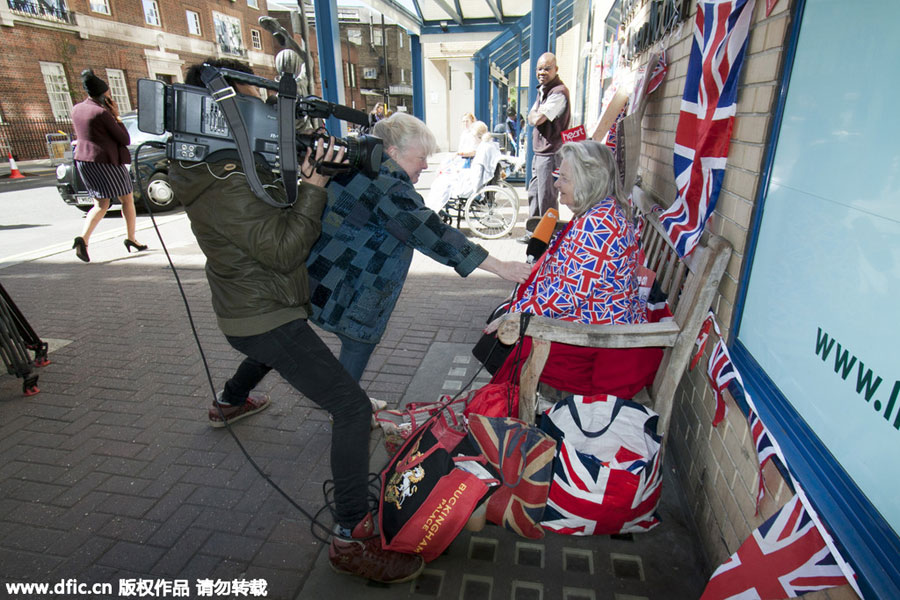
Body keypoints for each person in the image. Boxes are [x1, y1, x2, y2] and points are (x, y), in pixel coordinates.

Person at [170, 59, 425, 584]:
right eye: (252, 105)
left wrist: (309, 169)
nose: (264, 117)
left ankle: (230, 401)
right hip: (264, 311)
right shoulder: (221, 181)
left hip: (260, 304)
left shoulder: (230, 162)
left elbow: (274, 220)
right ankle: (349, 538)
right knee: (351, 410)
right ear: (217, 114)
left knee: (271, 357)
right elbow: (285, 249)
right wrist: (312, 186)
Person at [307, 113, 531, 382]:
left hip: (316, 273)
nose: (426, 165)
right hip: (353, 287)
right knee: (357, 344)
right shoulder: (389, 185)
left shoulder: (356, 166)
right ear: (392, 152)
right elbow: (434, 234)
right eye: (421, 157)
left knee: (280, 337)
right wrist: (500, 266)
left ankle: (240, 395)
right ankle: (346, 409)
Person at [487, 141, 661, 400]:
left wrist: (516, 313)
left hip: (600, 346)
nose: (556, 184)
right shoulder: (597, 214)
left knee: (508, 338)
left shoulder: (598, 227)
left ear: (588, 182)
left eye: (564, 178)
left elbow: (567, 296)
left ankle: (504, 413)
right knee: (503, 324)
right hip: (594, 327)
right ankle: (499, 409)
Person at [70, 69, 147, 262]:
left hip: (84, 161)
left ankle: (83, 239)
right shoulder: (101, 113)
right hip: (107, 162)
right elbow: (124, 138)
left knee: (100, 203)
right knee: (127, 200)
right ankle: (131, 238)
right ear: (103, 95)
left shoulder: (77, 109)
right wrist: (116, 115)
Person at [525, 52, 570, 227]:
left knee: (547, 199)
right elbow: (531, 116)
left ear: (556, 69)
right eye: (539, 69)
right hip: (540, 153)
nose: (542, 72)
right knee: (535, 194)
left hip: (550, 153)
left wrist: (535, 115)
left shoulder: (558, 92)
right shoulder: (544, 91)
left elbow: (535, 119)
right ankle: (534, 235)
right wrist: (534, 115)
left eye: (547, 68)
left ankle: (549, 240)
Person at [424, 120, 491, 212]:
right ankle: (433, 207)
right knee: (444, 178)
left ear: (476, 135)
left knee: (442, 182)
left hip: (470, 179)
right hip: (472, 174)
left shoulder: (481, 148)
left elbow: (476, 169)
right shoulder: (484, 146)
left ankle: (434, 207)